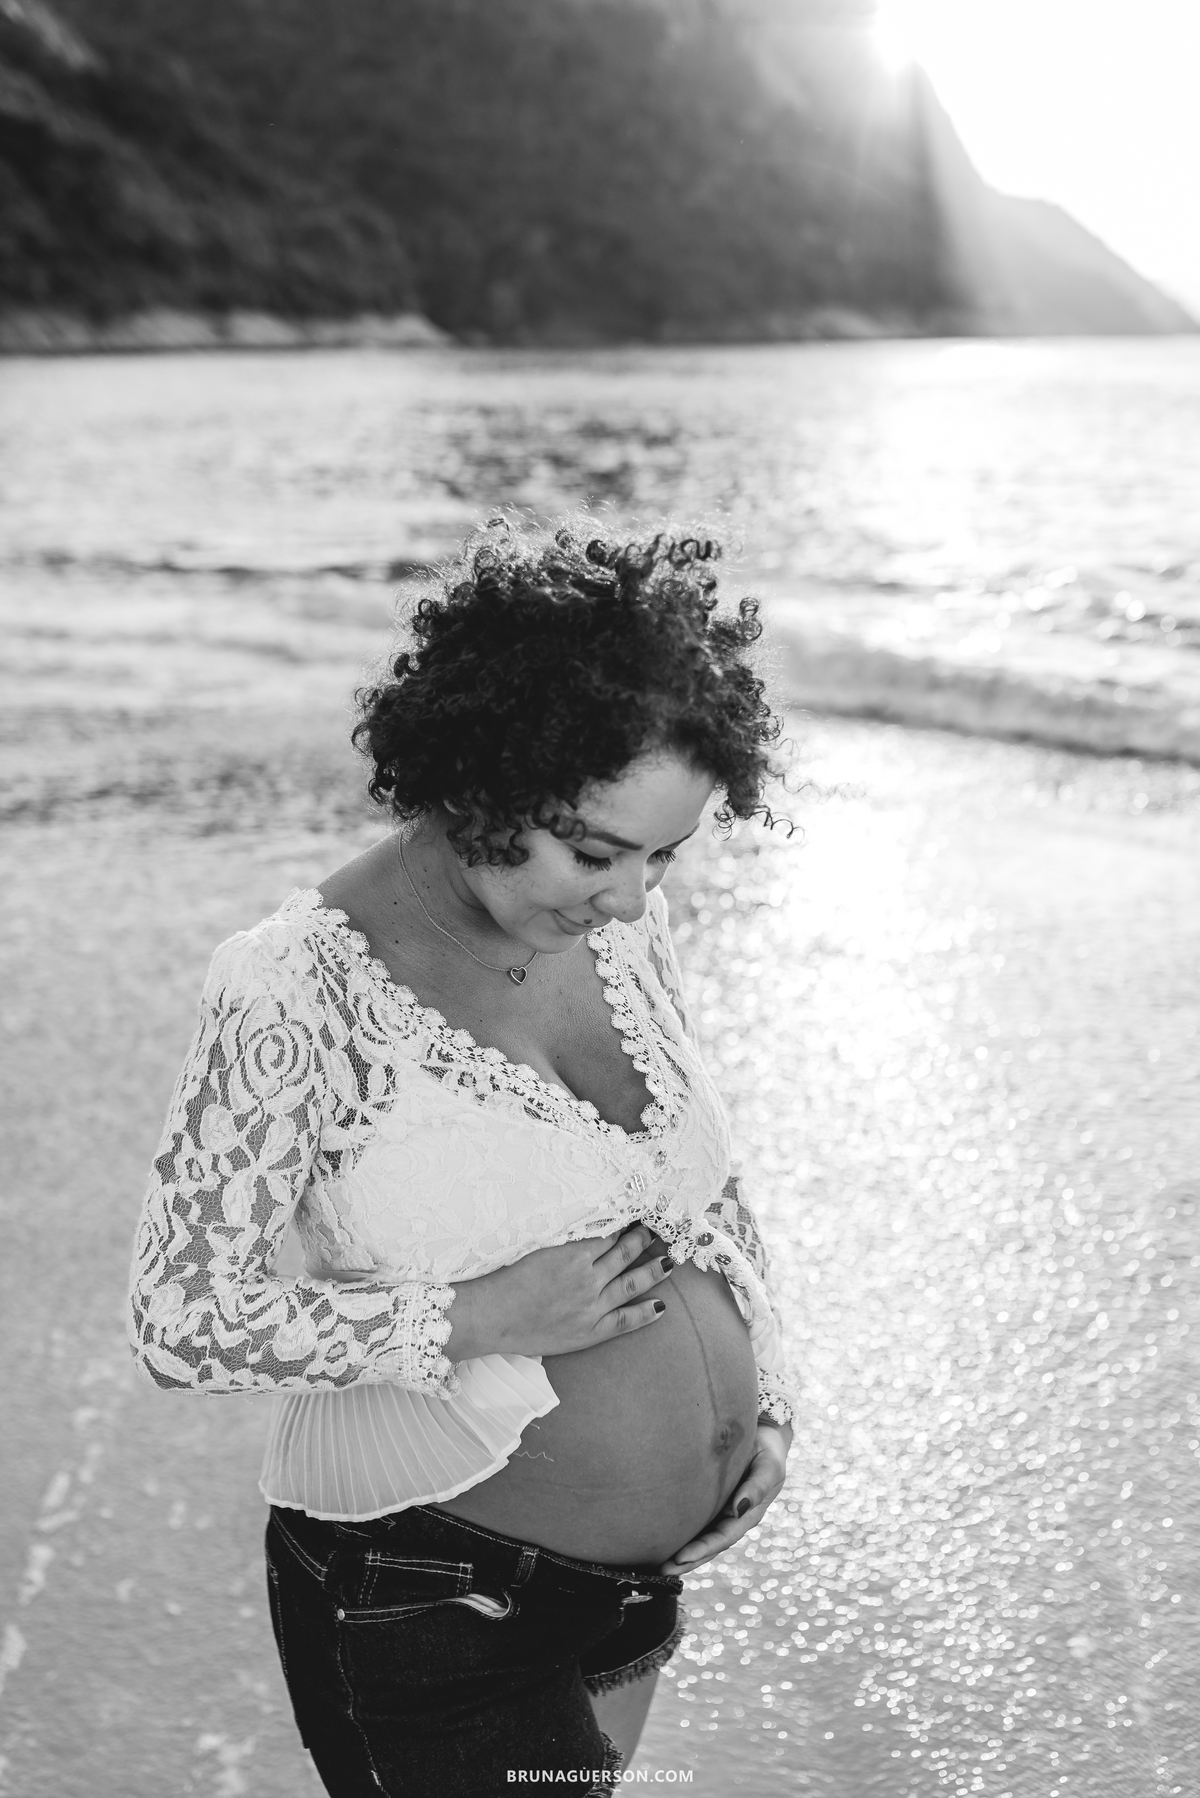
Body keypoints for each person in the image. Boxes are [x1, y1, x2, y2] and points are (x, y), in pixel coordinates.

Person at [128, 519, 797, 1796]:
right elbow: (182, 1317)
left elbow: (702, 1186)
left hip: (625, 1597)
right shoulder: (294, 989)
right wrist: (477, 1315)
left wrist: (765, 1397)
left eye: (668, 853)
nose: (636, 897)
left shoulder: (610, 933)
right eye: (601, 851)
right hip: (435, 1607)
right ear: (481, 779)